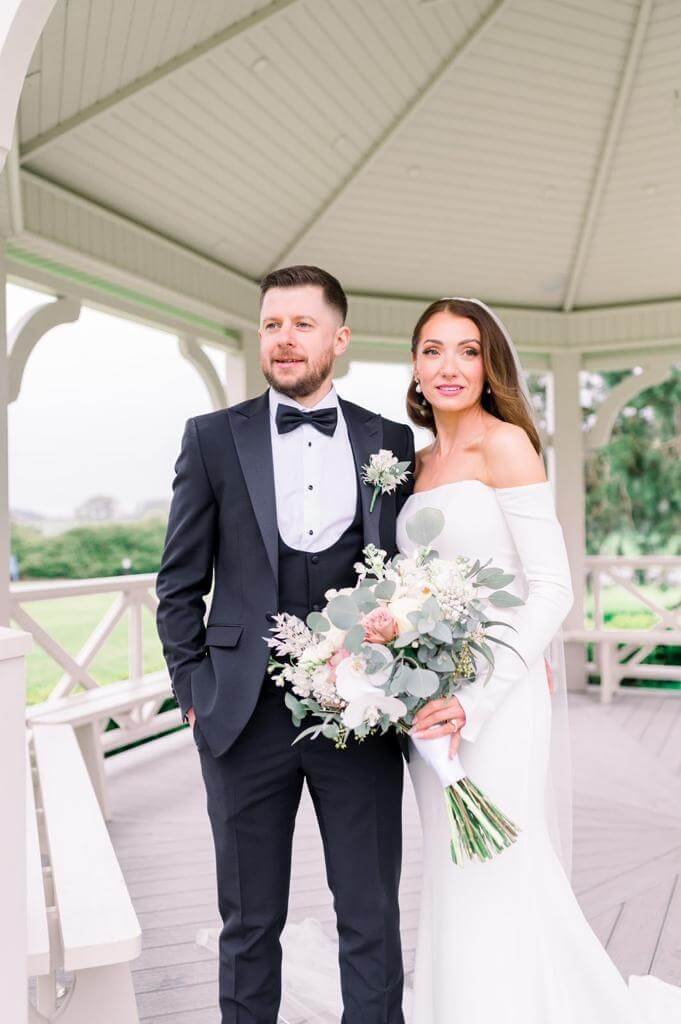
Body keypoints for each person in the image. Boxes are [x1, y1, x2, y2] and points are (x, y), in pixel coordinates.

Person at [402, 297, 681, 1022]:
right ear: (414, 365)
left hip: (495, 696)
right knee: (448, 865)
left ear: (489, 365)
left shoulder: (505, 446)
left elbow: (551, 588)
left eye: (467, 350)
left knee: (498, 862)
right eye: (432, 349)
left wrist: (478, 697)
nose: (448, 366)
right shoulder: (416, 462)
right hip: (427, 703)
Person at [155, 265, 415, 1024]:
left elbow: (408, 576)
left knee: (370, 915)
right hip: (239, 715)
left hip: (359, 711)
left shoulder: (387, 441)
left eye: (302, 324)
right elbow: (177, 582)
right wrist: (193, 693)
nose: (284, 339)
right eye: (272, 324)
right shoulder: (210, 438)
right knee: (248, 922)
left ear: (338, 338)